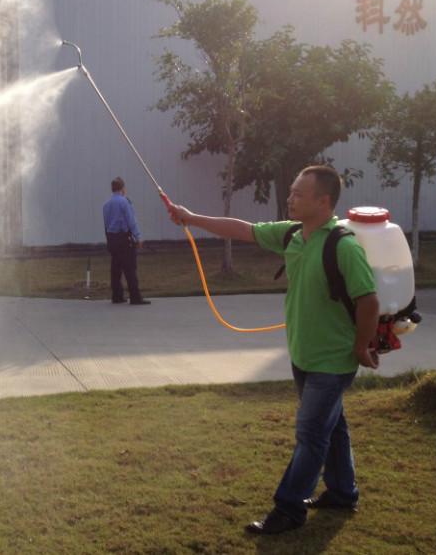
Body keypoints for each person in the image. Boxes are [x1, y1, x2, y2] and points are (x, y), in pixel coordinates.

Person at [168, 165, 380, 535]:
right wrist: (191, 218)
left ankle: (288, 509)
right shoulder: (292, 235)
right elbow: (242, 229)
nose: (290, 198)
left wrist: (361, 346)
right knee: (334, 427)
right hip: (303, 354)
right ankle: (343, 492)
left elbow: (369, 301)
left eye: (299, 193)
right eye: (292, 191)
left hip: (333, 360)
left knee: (311, 436)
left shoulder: (343, 246)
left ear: (324, 201)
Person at [103, 177, 150, 305]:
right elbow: (131, 221)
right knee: (130, 268)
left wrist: (109, 240)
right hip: (124, 238)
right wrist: (138, 237)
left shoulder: (106, 204)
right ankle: (135, 297)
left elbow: (106, 224)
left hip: (112, 238)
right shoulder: (125, 202)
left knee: (115, 269)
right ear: (122, 188)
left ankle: (117, 296)